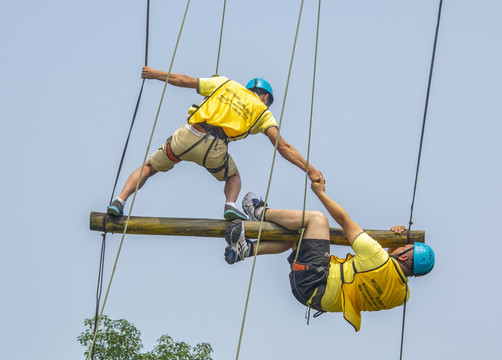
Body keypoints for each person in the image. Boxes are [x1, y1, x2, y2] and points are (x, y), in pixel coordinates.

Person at [107, 67, 322, 220]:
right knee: (234, 176)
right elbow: (283, 147)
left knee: (149, 167)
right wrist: (310, 170)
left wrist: (154, 74)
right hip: (215, 149)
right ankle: (230, 205)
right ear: (264, 97)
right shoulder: (263, 113)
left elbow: (184, 80)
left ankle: (120, 200)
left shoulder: (225, 84)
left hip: (189, 135)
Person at [224, 176, 435, 331]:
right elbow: (386, 272)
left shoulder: (377, 257)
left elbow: (344, 221)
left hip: (315, 279)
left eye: (404, 247)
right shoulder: (401, 296)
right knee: (301, 235)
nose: (400, 247)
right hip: (313, 296)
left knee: (317, 220)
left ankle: (258, 212)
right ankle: (246, 250)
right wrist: (393, 245)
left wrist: (320, 193)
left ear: (405, 256)